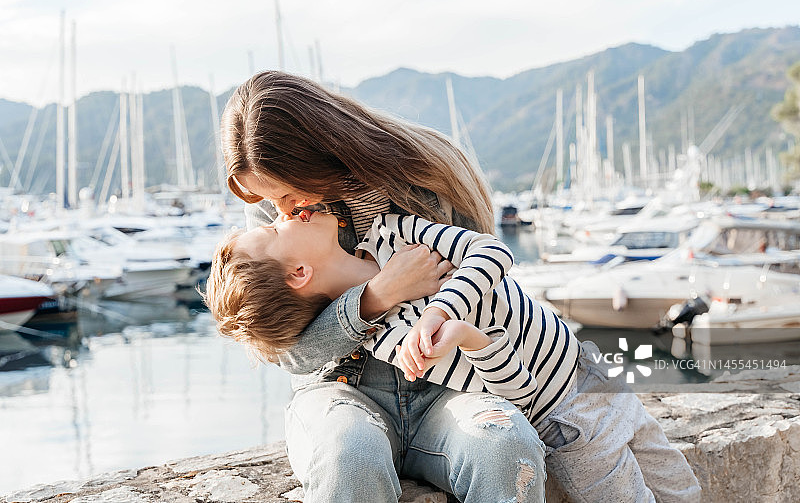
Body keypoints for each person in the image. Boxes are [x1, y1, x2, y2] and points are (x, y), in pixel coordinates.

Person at [205, 210, 703, 503]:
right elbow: (517, 392)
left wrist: (442, 305)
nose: (282, 213)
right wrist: (463, 335)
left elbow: (491, 252)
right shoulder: (395, 340)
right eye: (272, 228)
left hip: (591, 371)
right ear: (297, 274)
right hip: (567, 417)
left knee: (684, 490)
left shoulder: (388, 228)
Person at [219, 70, 547, 503]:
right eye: (268, 200)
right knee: (348, 458)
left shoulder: (430, 169)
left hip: (449, 389)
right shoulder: (274, 222)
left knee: (506, 447)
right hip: (339, 391)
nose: (280, 211)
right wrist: (376, 295)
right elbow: (288, 352)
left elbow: (484, 287)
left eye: (285, 193)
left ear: (314, 155)